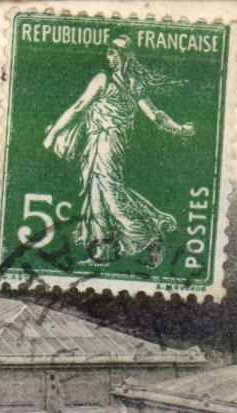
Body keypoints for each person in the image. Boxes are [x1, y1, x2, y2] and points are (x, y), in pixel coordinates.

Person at [42, 35, 196, 266]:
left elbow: (79, 107)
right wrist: (180, 129)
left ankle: (147, 235)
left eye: (113, 54)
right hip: (108, 144)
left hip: (104, 143)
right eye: (108, 53)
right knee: (100, 192)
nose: (108, 57)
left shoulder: (103, 80)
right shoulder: (135, 85)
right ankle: (104, 250)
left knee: (109, 192)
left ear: (122, 57)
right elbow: (156, 116)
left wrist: (53, 133)